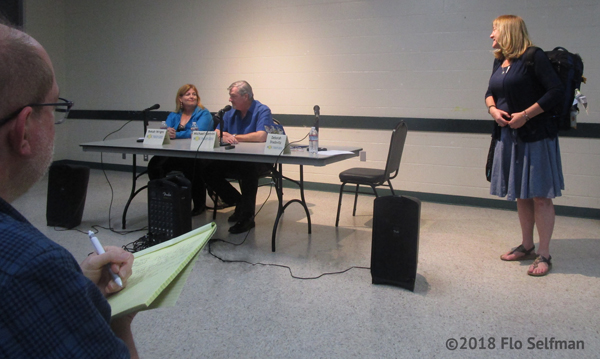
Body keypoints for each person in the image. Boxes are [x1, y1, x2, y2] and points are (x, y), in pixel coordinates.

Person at [0, 23, 138, 358]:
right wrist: (114, 318)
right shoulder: (33, 266)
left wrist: (72, 285)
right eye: (55, 106)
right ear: (24, 130)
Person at [485, 15, 564, 276]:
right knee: (521, 194)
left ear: (508, 30)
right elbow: (489, 92)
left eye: (495, 29)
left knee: (540, 196)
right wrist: (493, 110)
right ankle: (527, 245)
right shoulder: (500, 61)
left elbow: (555, 92)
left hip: (536, 137)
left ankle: (544, 254)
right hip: (509, 137)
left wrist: (525, 115)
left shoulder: (534, 57)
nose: (491, 35)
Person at [204, 80, 274, 234]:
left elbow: (262, 136)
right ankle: (239, 201)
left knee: (247, 168)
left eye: (233, 96)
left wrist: (234, 136)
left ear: (246, 96)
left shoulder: (262, 110)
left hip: (258, 160)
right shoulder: (230, 112)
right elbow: (217, 132)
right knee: (207, 169)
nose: (230, 99)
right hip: (235, 158)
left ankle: (247, 218)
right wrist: (223, 134)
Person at [147, 84, 213, 215]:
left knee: (192, 166)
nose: (192, 97)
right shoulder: (174, 115)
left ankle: (199, 205)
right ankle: (164, 197)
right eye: (188, 94)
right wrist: (167, 131)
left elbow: (199, 132)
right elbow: (166, 129)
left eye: (194, 94)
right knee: (154, 165)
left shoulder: (203, 114)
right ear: (180, 99)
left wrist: (176, 134)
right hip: (176, 153)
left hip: (198, 154)